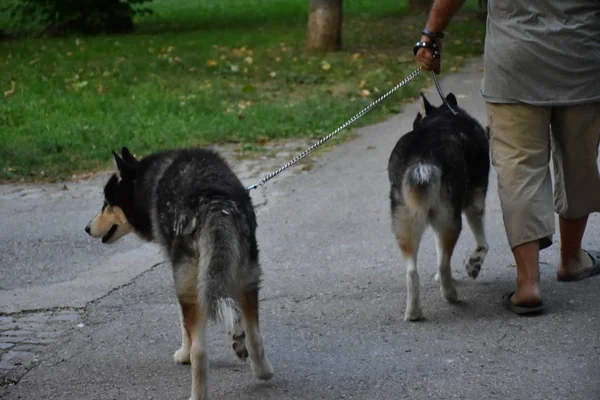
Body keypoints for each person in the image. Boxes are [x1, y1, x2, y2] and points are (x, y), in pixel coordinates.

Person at [414, 0, 600, 314]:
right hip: (582, 57)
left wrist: (430, 35)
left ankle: (528, 283)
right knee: (578, 161)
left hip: (515, 61)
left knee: (518, 166)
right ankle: (571, 258)